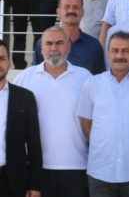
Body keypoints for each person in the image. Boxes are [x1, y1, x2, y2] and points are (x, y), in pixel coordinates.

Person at [14, 26, 93, 197]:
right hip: (36, 169)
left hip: (77, 166)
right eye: (49, 43)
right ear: (41, 48)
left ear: (69, 46)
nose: (54, 48)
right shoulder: (24, 79)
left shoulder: (85, 77)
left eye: (59, 43)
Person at [77, 30, 129, 196]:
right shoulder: (92, 84)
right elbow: (86, 125)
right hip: (100, 171)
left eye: (126, 51)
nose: (120, 55)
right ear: (108, 54)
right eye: (115, 50)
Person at [0, 39, 42, 197]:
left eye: (2, 58)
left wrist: (35, 184)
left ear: (9, 62)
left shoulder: (25, 97)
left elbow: (34, 144)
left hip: (13, 181)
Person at [31, 0, 105, 75]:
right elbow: (36, 74)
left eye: (75, 7)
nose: (71, 11)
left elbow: (99, 78)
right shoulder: (44, 43)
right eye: (67, 7)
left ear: (82, 12)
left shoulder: (94, 45)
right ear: (58, 12)